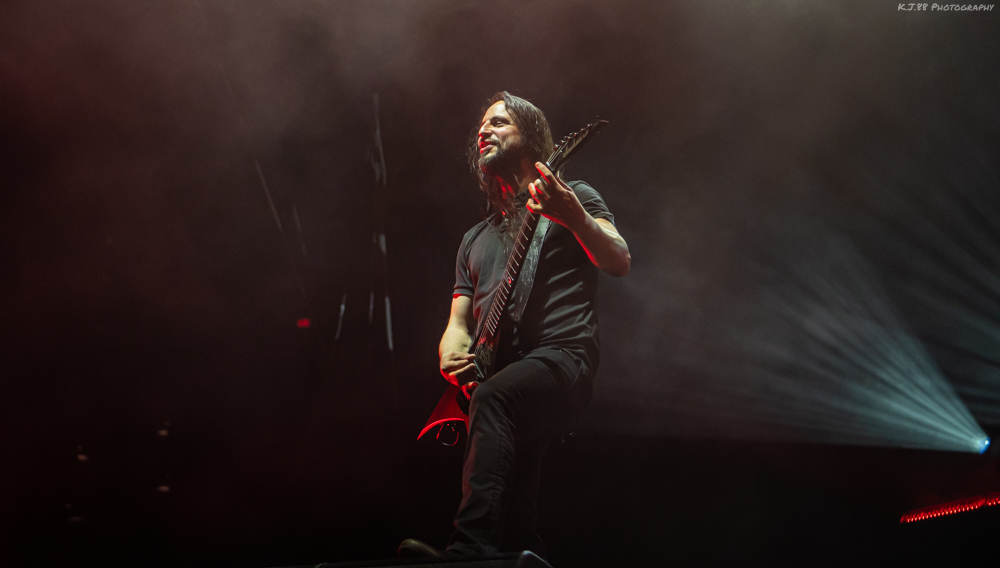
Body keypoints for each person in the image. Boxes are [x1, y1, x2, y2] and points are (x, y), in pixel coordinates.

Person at [400, 92, 629, 560]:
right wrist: (450, 354)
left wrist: (573, 216)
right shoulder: (473, 240)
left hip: (563, 358)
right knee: (519, 516)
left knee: (493, 397)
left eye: (500, 122)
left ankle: (466, 550)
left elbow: (619, 260)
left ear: (530, 137)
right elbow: (458, 323)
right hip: (504, 372)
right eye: (482, 125)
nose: (484, 131)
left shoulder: (575, 196)